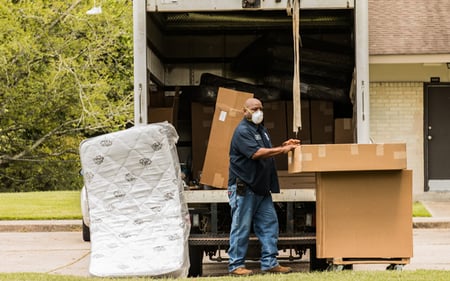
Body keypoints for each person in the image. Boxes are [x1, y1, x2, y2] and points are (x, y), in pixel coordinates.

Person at [227, 97, 300, 276]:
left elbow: (267, 150)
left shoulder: (261, 130)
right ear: (244, 112)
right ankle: (236, 266)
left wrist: (283, 146)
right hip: (244, 187)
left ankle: (269, 263)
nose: (258, 112)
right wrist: (281, 150)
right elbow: (256, 153)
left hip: (260, 188)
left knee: (270, 225)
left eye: (260, 108)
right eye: (253, 109)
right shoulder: (242, 131)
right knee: (241, 227)